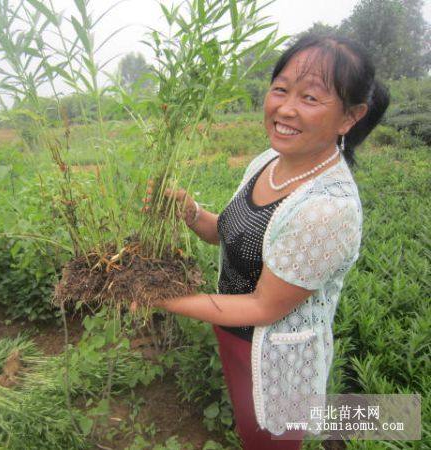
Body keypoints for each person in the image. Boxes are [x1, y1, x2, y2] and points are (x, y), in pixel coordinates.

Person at [141, 35, 389, 449]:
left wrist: (159, 297)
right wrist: (191, 214)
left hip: (277, 352)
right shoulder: (269, 162)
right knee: (249, 422)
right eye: (280, 89)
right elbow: (231, 233)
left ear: (351, 116)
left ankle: (345, 428)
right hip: (232, 329)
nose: (285, 108)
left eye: (310, 97)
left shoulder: (327, 209)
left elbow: (264, 307)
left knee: (273, 436)